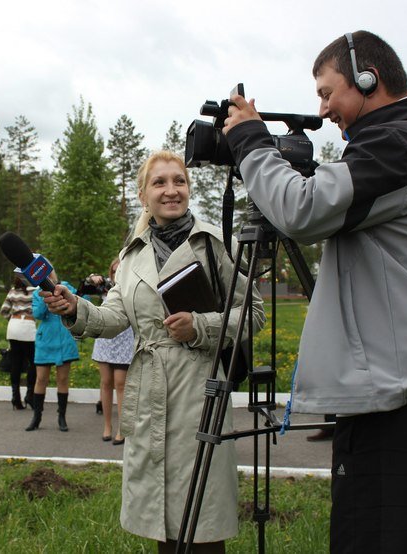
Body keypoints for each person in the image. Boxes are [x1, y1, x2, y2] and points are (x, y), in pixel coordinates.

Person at [224, 31, 407, 552]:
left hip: (402, 406)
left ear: (368, 77)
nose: (325, 109)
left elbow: (302, 210)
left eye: (328, 93)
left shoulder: (398, 142)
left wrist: (251, 143)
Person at [41, 150, 266, 553]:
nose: (170, 190)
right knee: (161, 519)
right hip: (149, 392)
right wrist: (76, 307)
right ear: (144, 195)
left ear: (189, 188)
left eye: (178, 181)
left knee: (201, 519)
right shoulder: (131, 255)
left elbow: (253, 312)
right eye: (159, 183)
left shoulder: (216, 243)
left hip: (200, 389)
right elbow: (114, 317)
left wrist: (201, 326)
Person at [27, 268, 79, 432]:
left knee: (62, 380)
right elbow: (38, 314)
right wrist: (46, 295)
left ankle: (62, 417)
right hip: (45, 343)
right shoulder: (37, 293)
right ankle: (37, 417)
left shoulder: (66, 287)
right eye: (43, 275)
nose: (48, 276)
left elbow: (81, 301)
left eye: (50, 272)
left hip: (65, 341)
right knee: (40, 379)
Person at [89, 258, 134, 444]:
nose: (116, 274)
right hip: (105, 341)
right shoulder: (106, 289)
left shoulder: (131, 287)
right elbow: (86, 284)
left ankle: (122, 429)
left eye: (119, 270)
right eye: (113, 271)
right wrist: (93, 277)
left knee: (120, 383)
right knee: (106, 382)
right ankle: (107, 426)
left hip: (124, 341)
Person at [0, 276, 37, 410]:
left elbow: (3, 310)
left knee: (15, 362)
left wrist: (12, 318)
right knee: (33, 362)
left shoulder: (12, 291)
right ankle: (30, 395)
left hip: (13, 326)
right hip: (28, 326)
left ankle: (15, 397)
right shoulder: (35, 291)